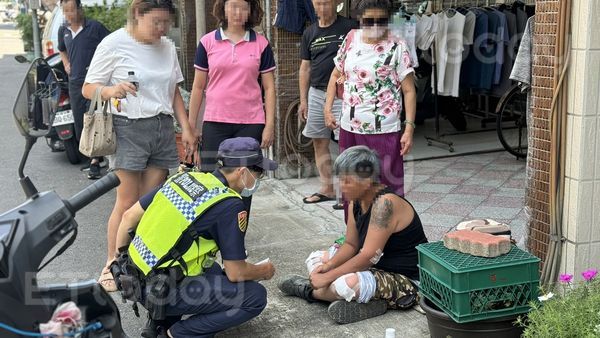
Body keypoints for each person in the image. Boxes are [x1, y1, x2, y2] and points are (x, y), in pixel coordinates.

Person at [111, 137, 277, 338]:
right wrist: (263, 271)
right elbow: (236, 272)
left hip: (133, 278)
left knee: (214, 269)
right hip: (163, 289)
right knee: (254, 296)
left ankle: (159, 322)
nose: (258, 179)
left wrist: (118, 260)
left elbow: (129, 217)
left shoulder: (185, 178)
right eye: (258, 173)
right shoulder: (230, 204)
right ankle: (178, 333)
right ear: (242, 171)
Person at [82, 0, 196, 292]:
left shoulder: (168, 47)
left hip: (161, 128)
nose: (161, 29)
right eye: (155, 22)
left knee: (150, 203)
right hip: (128, 127)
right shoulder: (113, 43)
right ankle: (111, 264)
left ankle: (139, 260)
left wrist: (187, 129)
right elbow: (88, 87)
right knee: (127, 201)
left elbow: (173, 94)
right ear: (137, 15)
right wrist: (111, 90)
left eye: (165, 23)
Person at [278, 146, 428, 324]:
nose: (341, 186)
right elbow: (350, 245)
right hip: (376, 268)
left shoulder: (385, 204)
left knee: (345, 284)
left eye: (347, 181)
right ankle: (371, 303)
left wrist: (328, 277)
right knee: (317, 259)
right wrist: (330, 266)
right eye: (340, 179)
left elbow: (368, 256)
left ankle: (309, 291)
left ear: (367, 181)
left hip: (407, 279)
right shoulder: (354, 201)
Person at [188, 0, 276, 219]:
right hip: (215, 122)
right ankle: (211, 237)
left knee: (244, 183)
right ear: (223, 9)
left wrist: (269, 126)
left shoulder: (261, 44)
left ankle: (237, 239)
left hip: (250, 124)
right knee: (211, 181)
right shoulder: (207, 42)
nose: (238, 12)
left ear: (251, 11)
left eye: (244, 7)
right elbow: (198, 87)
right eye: (233, 6)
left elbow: (269, 88)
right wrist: (191, 127)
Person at [324, 0, 417, 199]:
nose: (374, 26)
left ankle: (387, 229)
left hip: (384, 129)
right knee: (351, 184)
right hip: (349, 128)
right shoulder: (350, 39)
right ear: (360, 19)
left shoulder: (397, 46)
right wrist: (327, 108)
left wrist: (409, 128)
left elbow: (409, 90)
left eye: (380, 21)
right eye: (368, 21)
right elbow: (334, 75)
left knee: (385, 184)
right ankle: (354, 229)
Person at [299, 0, 357, 208]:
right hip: (316, 93)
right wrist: (303, 99)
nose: (322, 8)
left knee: (346, 143)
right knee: (319, 140)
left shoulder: (350, 27)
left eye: (326, 3)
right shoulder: (310, 33)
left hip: (343, 95)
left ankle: (347, 192)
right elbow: (305, 68)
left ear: (335, 3)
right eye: (318, 3)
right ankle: (327, 188)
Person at [57, 0, 109, 179]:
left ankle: (95, 161)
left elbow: (110, 47)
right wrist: (65, 63)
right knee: (80, 121)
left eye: (72, 10)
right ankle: (92, 156)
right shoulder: (63, 30)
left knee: (94, 118)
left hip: (94, 82)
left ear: (80, 8)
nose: (69, 14)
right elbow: (61, 50)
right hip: (74, 83)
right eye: (66, 11)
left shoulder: (95, 28)